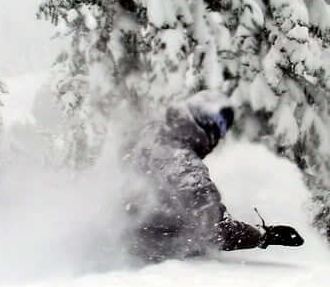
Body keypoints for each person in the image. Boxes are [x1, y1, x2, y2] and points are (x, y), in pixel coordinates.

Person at [121, 91, 304, 264]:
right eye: (218, 129)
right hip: (151, 260)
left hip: (121, 240)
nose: (217, 140)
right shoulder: (184, 165)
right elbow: (212, 228)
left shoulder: (151, 132)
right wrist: (262, 235)